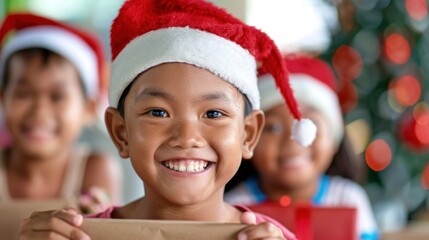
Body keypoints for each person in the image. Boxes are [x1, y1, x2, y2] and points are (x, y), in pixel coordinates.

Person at [18, 0, 322, 239]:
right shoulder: (75, 234)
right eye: (158, 112)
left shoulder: (271, 239)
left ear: (248, 134)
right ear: (120, 132)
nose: (187, 136)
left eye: (213, 113)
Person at [225, 55, 379, 240]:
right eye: (273, 128)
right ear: (249, 138)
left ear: (334, 138)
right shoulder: (236, 207)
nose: (293, 140)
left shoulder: (349, 199)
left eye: (309, 124)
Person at [0, 13, 121, 213]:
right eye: (23, 94)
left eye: (57, 97)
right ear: (3, 99)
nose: (39, 110)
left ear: (89, 108)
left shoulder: (95, 169)